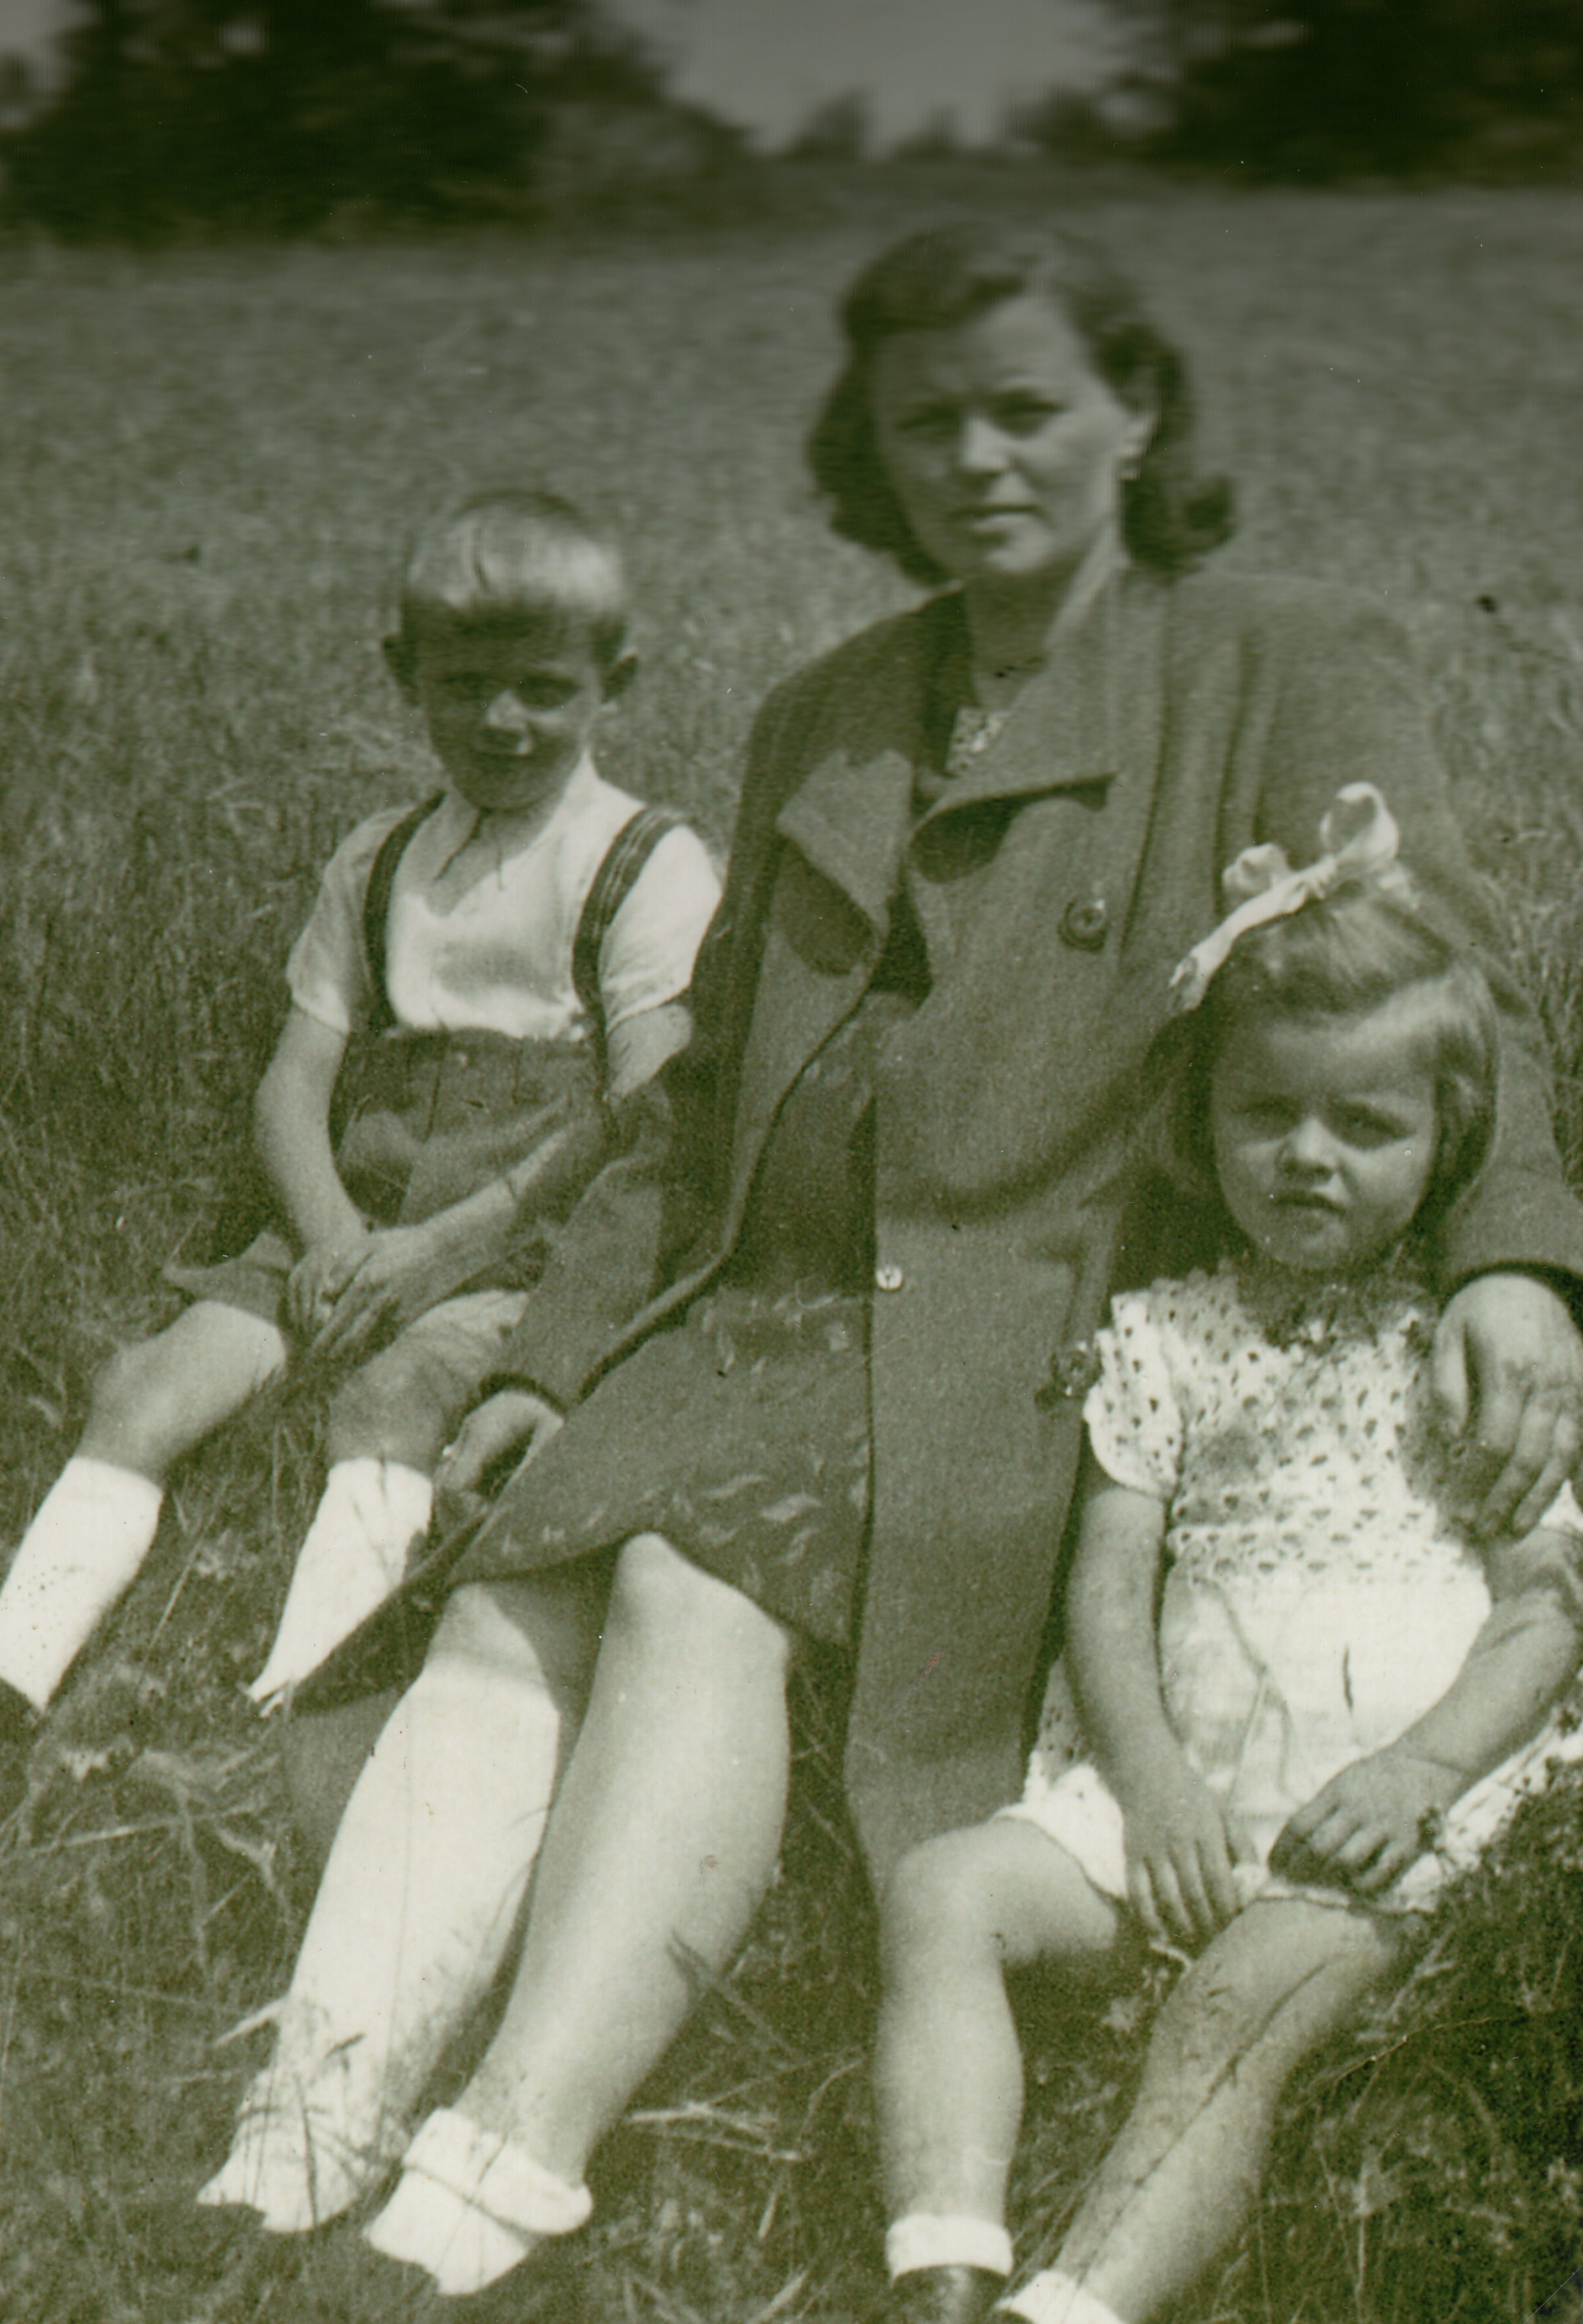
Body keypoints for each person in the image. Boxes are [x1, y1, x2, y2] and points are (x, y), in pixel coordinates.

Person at [200, 220, 1583, 2300]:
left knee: (689, 1577)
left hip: (1011, 1329)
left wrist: (1512, 1263)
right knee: (509, 1601)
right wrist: (552, 1357)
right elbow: (701, 1098)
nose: (977, 458)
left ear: (1135, 414)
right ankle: (305, 2121)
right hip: (762, 1305)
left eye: (1027, 408)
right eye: (928, 420)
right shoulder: (830, 712)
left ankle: (503, 2166)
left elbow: (1453, 992)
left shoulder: (1276, 662)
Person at [872, 790, 1583, 2324]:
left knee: (1228, 2008)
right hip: (1176, 1795)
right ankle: (942, 2261)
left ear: (1446, 1139)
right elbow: (1107, 1582)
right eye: (1268, 1114)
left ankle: (1077, 2304)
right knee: (942, 1891)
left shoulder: (1464, 1348)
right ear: (1201, 1120)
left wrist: (1421, 1773)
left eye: (1366, 1126)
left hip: (1384, 1813)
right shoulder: (1165, 1337)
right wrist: (1147, 1783)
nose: (1308, 1157)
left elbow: (1543, 1607)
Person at [0, 489, 718, 1809]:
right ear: (406, 676)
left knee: (391, 1399)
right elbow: (295, 1080)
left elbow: (644, 1105)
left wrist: (444, 1249)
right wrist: (333, 1235)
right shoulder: (381, 858)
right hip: (352, 1207)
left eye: (544, 688)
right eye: (467, 685)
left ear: (612, 684)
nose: (504, 720)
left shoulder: (644, 863)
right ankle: (17, 1667)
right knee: (150, 1386)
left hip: (523, 1232)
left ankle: (300, 1721)